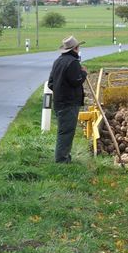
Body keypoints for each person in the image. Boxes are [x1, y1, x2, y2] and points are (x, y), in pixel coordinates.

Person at [48, 35, 87, 163]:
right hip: (69, 103)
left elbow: (51, 83)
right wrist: (84, 73)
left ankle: (65, 158)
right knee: (66, 133)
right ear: (75, 48)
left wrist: (60, 91)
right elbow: (76, 81)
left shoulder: (58, 61)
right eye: (78, 47)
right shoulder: (73, 63)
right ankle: (62, 161)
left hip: (59, 102)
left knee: (64, 131)